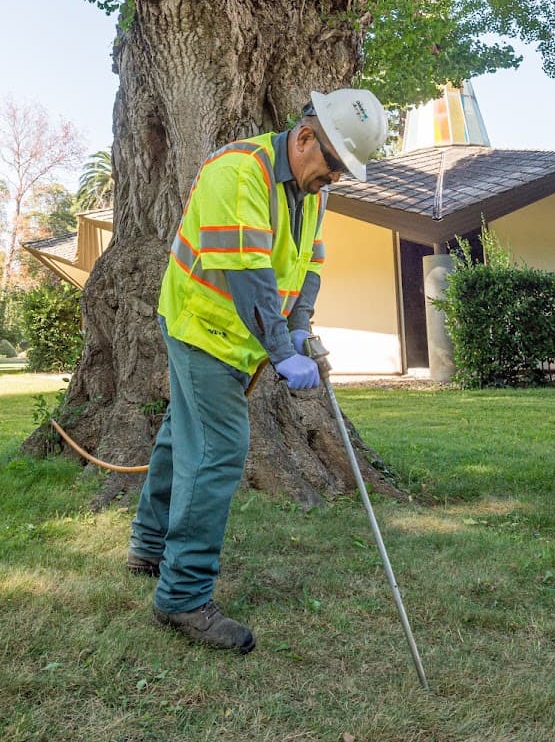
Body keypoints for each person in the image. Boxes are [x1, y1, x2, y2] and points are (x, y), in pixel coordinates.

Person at [127, 88, 387, 653]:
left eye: (343, 172)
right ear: (304, 137)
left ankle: (148, 545)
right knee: (218, 450)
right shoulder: (238, 172)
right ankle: (182, 595)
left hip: (238, 334)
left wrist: (301, 328)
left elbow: (309, 264)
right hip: (202, 326)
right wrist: (281, 349)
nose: (335, 178)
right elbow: (247, 275)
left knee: (179, 432)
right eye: (334, 165)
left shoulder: (311, 192)